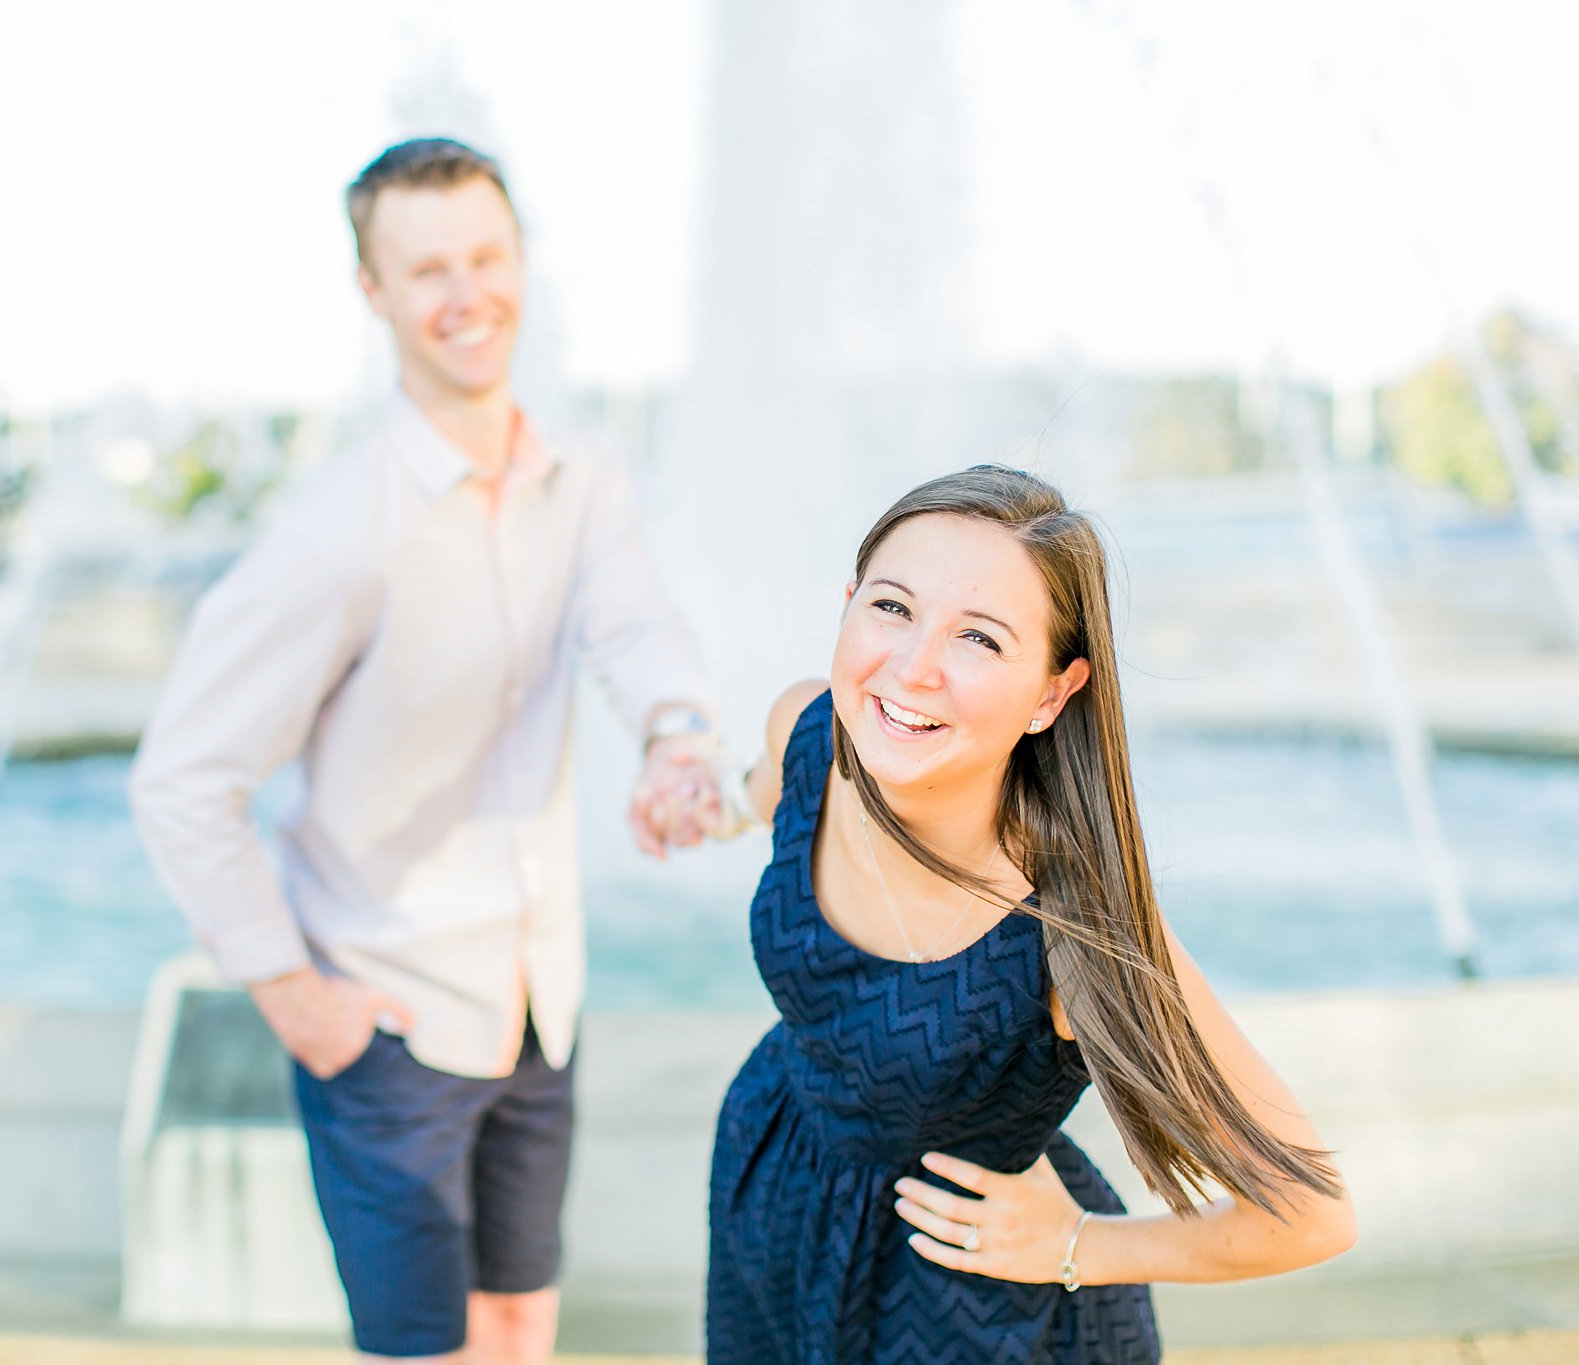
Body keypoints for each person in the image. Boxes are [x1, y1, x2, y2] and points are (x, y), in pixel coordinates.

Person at [128, 137, 721, 1365]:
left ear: (520, 262)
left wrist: (676, 739)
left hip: (538, 1000)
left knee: (516, 1329)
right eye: (427, 269)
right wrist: (297, 1002)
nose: (467, 296)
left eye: (486, 257)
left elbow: (634, 626)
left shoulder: (581, 477)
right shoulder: (336, 531)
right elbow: (182, 781)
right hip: (389, 1022)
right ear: (374, 293)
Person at [701, 466, 1357, 1362]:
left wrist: (1078, 1243)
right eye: (892, 608)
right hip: (772, 1201)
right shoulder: (809, 732)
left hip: (957, 1307)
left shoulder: (1070, 930)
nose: (913, 666)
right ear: (848, 604)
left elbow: (1310, 1214)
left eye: (979, 637)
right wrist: (706, 797)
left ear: (1051, 692)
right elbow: (759, 789)